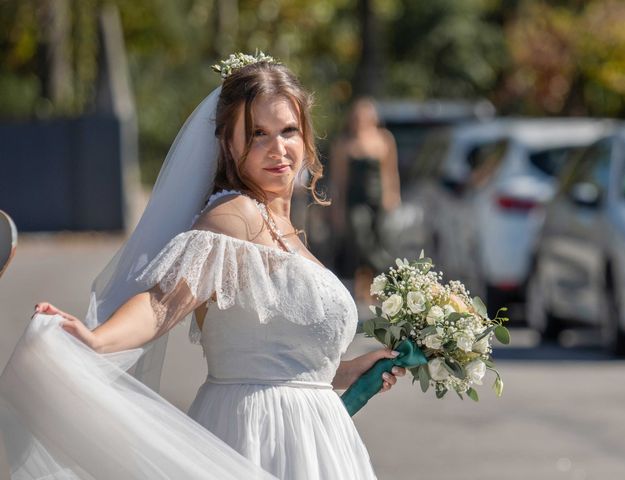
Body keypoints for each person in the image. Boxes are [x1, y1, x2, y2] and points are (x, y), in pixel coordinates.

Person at [0, 53, 405, 479]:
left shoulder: (286, 228)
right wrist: (97, 340)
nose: (278, 148)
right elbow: (163, 303)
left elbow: (278, 357)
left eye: (288, 130)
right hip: (256, 435)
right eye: (257, 134)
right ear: (228, 143)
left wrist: (342, 372)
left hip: (321, 441)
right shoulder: (234, 216)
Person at [330, 98, 401, 302]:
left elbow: (390, 171)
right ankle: (387, 271)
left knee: (378, 238)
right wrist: (337, 208)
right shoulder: (344, 143)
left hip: (377, 197)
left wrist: (392, 194)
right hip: (355, 200)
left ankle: (374, 285)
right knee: (361, 240)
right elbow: (339, 179)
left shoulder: (384, 138)